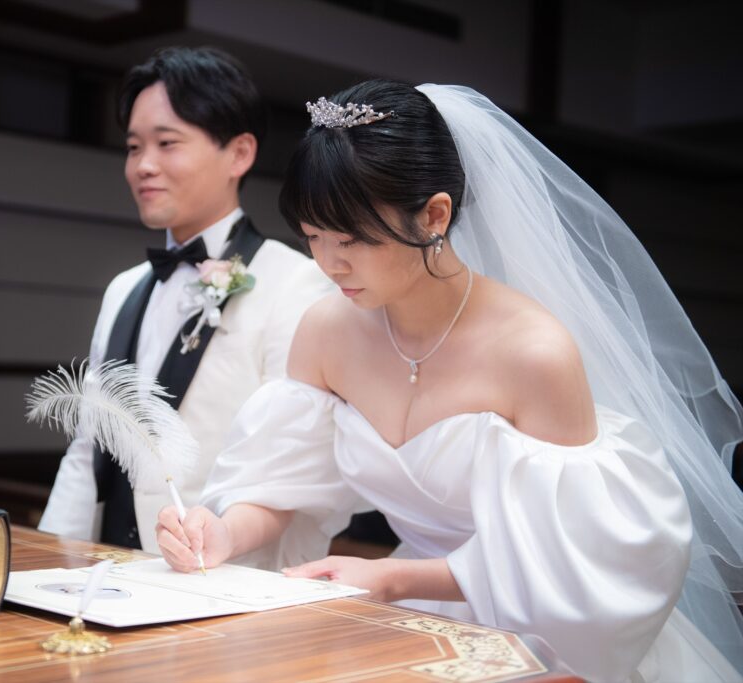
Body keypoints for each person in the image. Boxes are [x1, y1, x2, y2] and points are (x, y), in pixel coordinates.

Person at [155, 80, 743, 682]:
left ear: (435, 215)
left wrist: (396, 577)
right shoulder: (327, 331)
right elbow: (283, 489)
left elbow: (577, 557)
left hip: (542, 633)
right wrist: (224, 532)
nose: (329, 263)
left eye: (351, 238)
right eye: (312, 236)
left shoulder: (534, 353)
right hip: (405, 614)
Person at [38, 46, 331, 561]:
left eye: (167, 143)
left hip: (221, 576)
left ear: (239, 154)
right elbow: (87, 447)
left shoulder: (296, 283)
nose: (143, 166)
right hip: (108, 572)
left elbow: (291, 464)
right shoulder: (124, 288)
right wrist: (50, 561)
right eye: (133, 147)